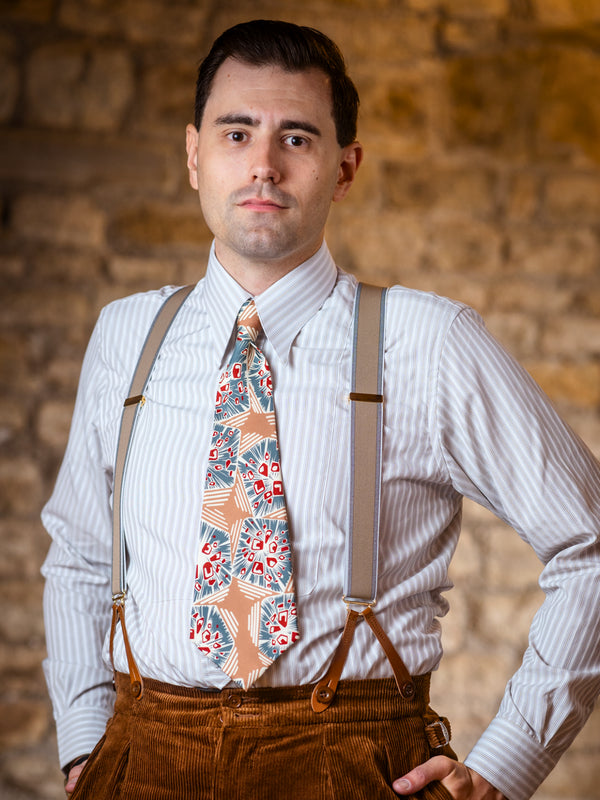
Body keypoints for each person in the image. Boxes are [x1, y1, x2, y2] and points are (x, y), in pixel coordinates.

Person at [41, 18, 600, 800]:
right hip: (141, 761)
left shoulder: (429, 340)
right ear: (194, 155)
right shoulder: (125, 334)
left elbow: (591, 542)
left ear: (344, 168)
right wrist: (83, 745)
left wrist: (503, 769)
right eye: (237, 133)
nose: (264, 165)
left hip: (352, 765)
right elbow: (79, 555)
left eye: (296, 138)